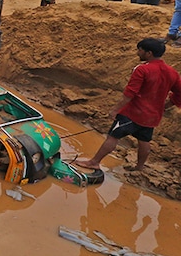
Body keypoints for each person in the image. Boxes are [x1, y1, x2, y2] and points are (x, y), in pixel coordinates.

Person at [76, 38, 181, 172]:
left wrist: (115, 110)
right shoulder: (172, 73)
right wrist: (164, 106)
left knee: (113, 136)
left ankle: (94, 162)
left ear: (149, 53)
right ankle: (139, 167)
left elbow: (130, 93)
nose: (138, 53)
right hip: (152, 117)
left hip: (133, 113)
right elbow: (179, 93)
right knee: (144, 140)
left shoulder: (142, 69)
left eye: (140, 50)